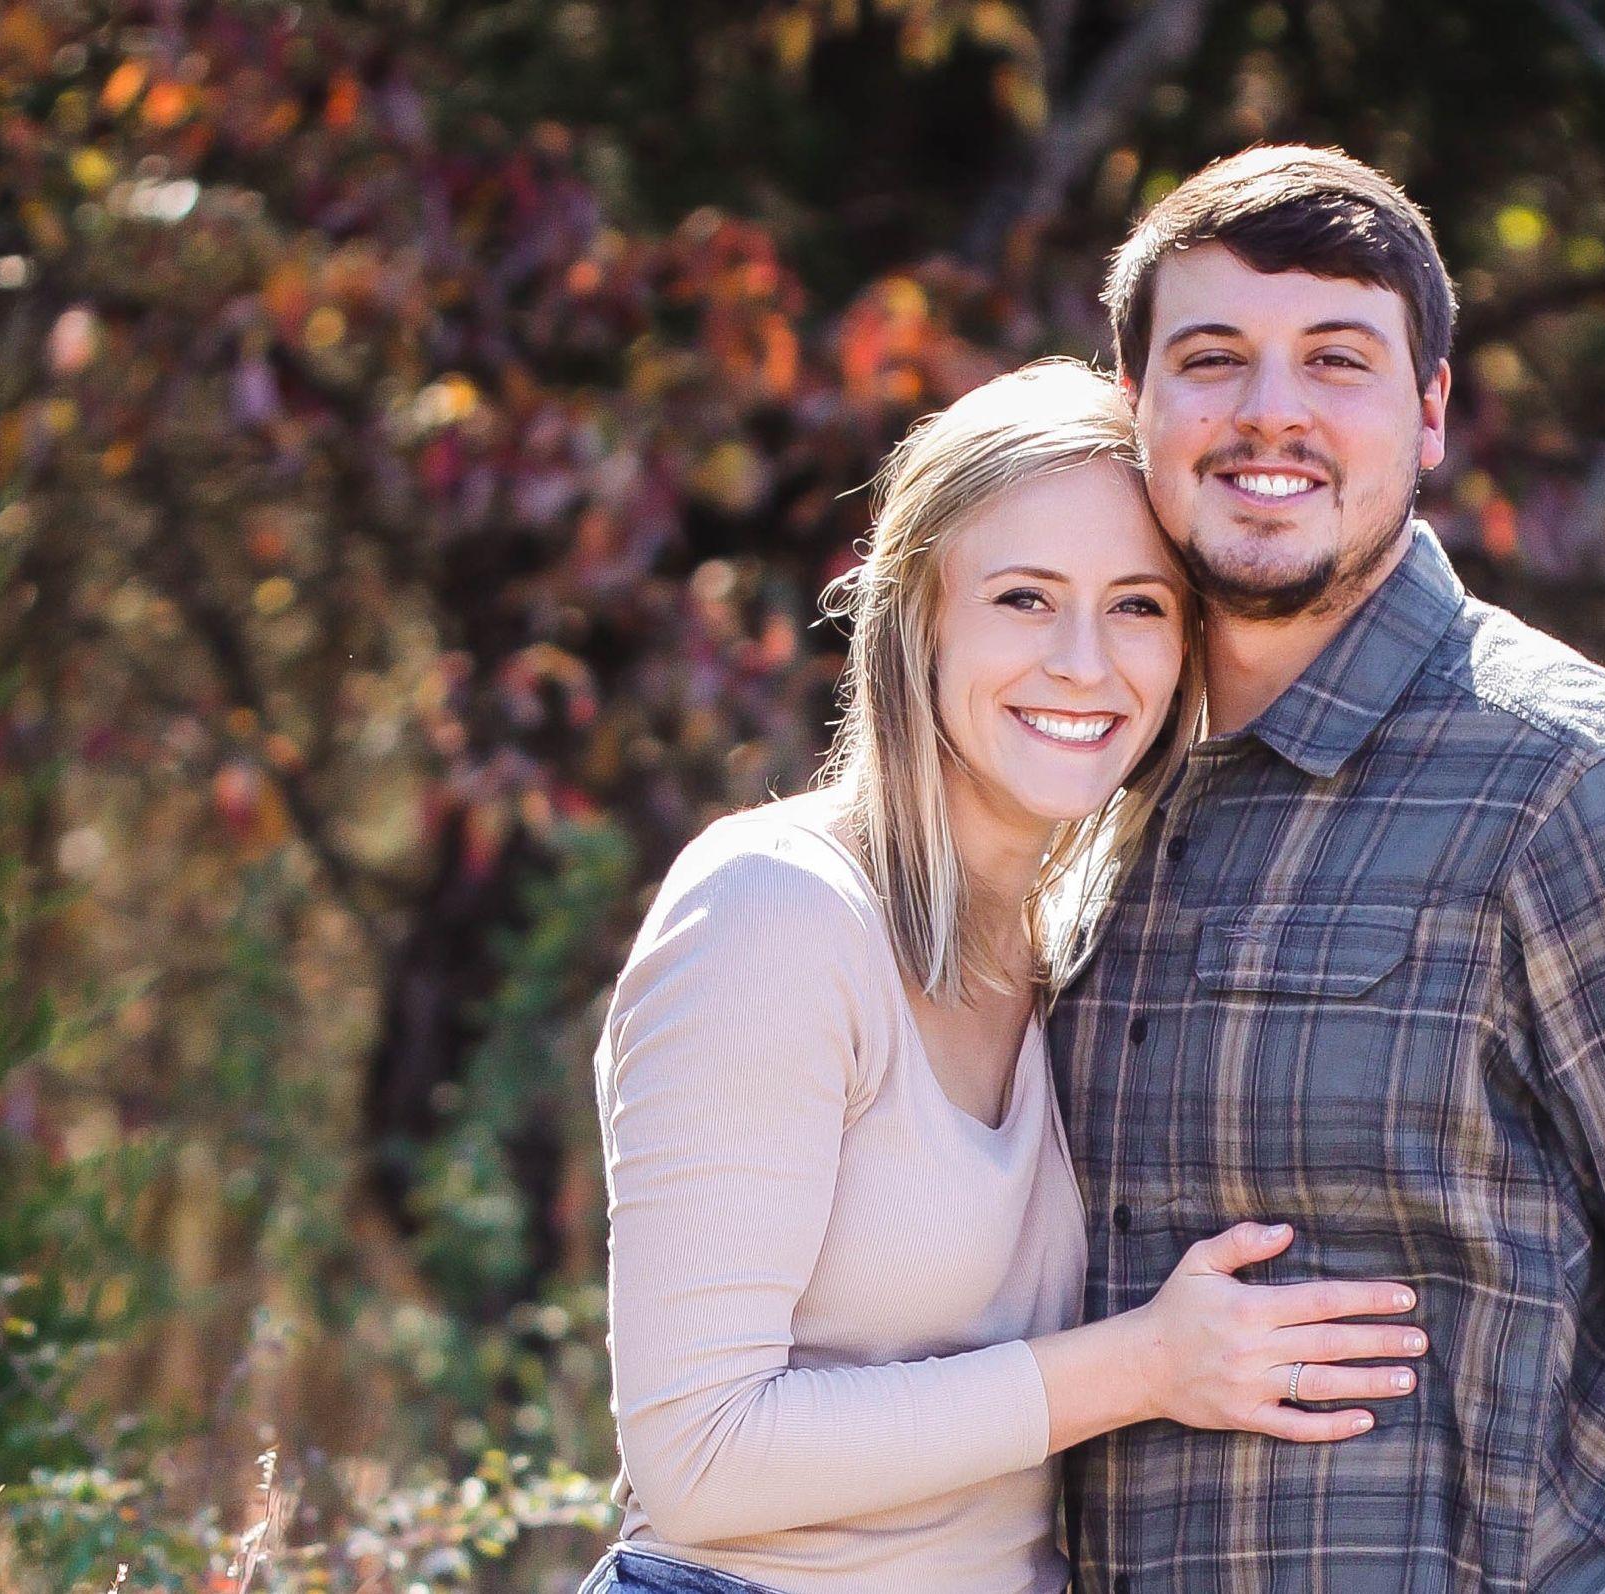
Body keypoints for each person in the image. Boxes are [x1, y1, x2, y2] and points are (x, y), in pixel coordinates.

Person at [1050, 146, 1605, 1591]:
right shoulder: (1079, 795)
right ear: (1133, 407)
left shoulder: (1588, 788)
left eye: (1336, 360)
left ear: (1429, 412)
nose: (1269, 410)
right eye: (1210, 359)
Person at [579, 359, 1429, 1594]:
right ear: (916, 619)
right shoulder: (775, 913)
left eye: (1137, 605)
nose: (1083, 661)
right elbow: (697, 1457)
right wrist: (1144, 1365)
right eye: (1025, 597)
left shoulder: (1077, 943)